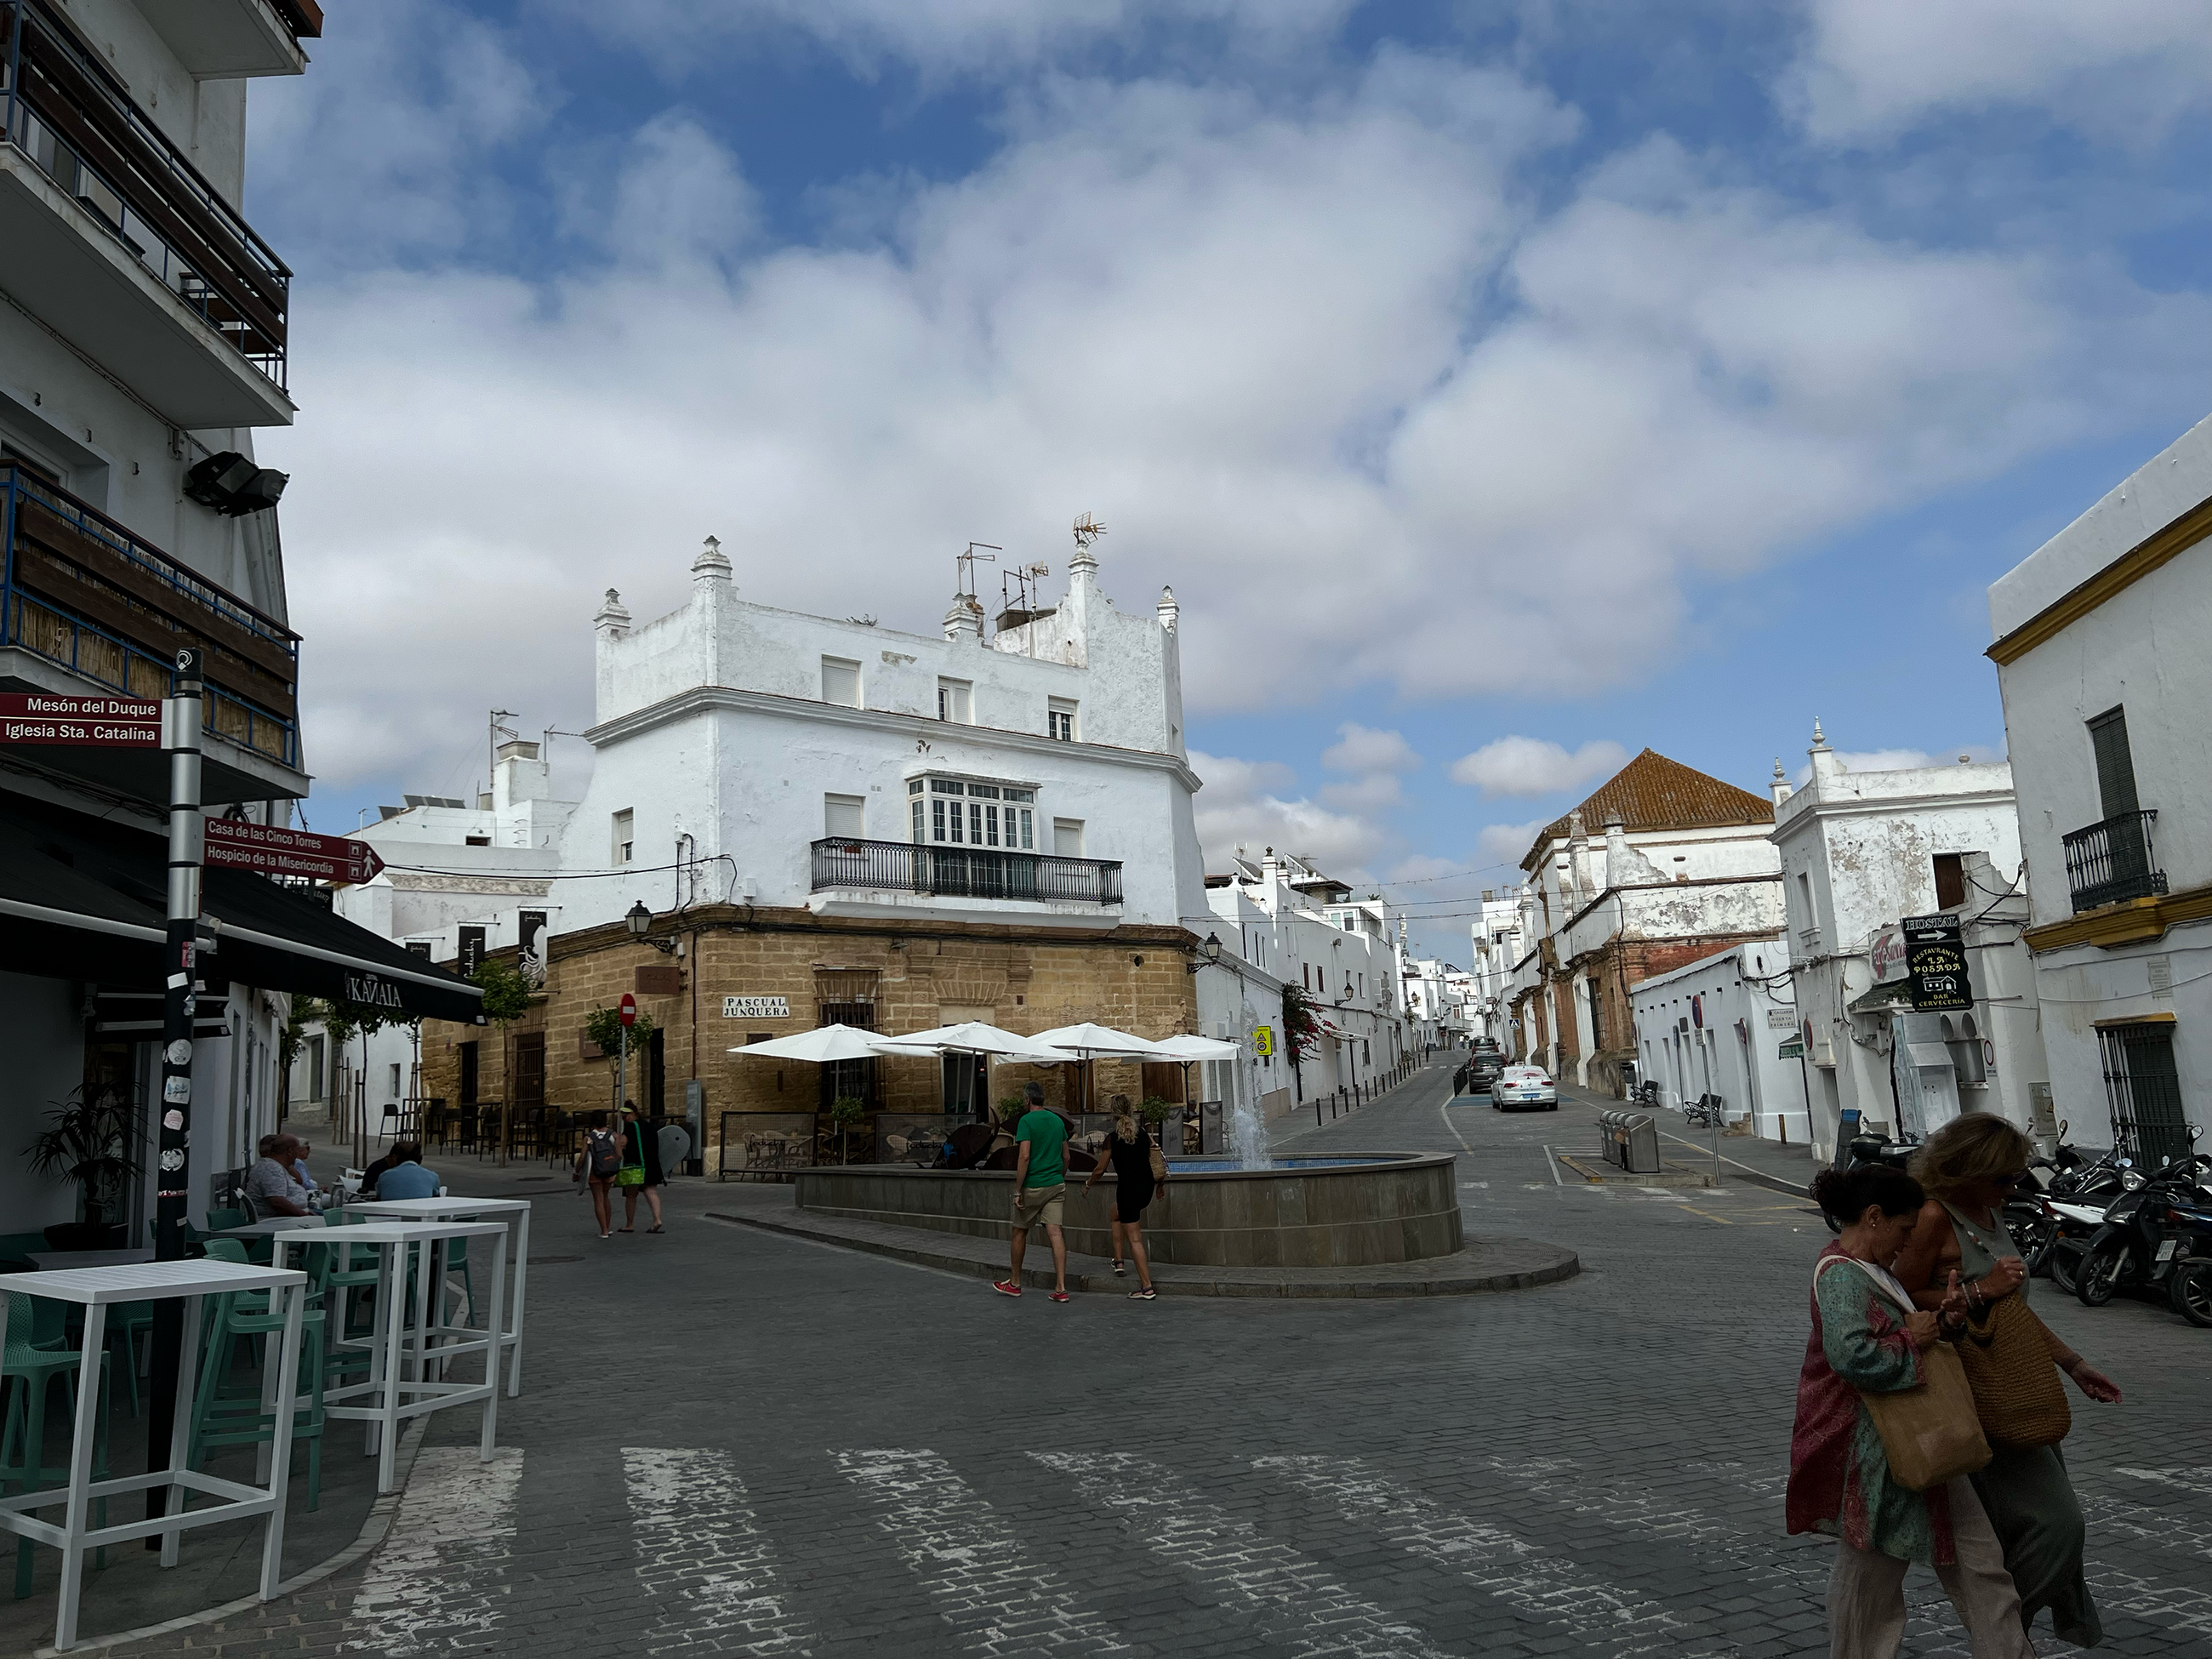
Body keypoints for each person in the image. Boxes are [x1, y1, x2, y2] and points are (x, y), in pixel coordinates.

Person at [1787, 1162, 2034, 1659]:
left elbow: (1900, 1339)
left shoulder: (1871, 1272)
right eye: (1904, 1229)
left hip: (1920, 1440)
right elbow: (1854, 1357)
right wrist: (1912, 1337)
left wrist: (1944, 1322)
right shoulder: (1840, 1276)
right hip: (1877, 1452)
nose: (1907, 1244)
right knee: (1870, 1579)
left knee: (1980, 1565)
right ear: (1874, 1217)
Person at [1896, 1115, 2121, 1649]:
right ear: (1964, 1171)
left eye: (2018, 1176)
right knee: (2058, 1523)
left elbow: (2013, 1312)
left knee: (2029, 1522)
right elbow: (1896, 1298)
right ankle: (2003, 1633)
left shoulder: (1989, 1210)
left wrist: (2072, 1364)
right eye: (2003, 1178)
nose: (2014, 1187)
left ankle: (2004, 1636)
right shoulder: (1933, 1216)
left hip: (2017, 1388)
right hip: (1973, 1392)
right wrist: (1982, 1290)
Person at [1081, 1097, 1164, 1301]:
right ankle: (1118, 1260)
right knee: (1114, 1212)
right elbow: (1157, 1155)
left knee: (1135, 1240)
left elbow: (1100, 1169)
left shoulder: (1112, 1139)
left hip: (1128, 1192)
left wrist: (1088, 1183)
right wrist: (1160, 1185)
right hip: (1146, 1190)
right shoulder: (1143, 1133)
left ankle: (1147, 1287)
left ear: (1113, 1113)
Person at [994, 1082, 1069, 1302]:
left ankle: (1015, 1282)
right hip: (1055, 1184)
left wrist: (1018, 1190)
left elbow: (1024, 1156)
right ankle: (1061, 1288)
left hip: (1033, 1185)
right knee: (1055, 1234)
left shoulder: (1026, 1121)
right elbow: (1067, 1157)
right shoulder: (1057, 1121)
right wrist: (1059, 1176)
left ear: (1027, 1100)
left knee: (1019, 1231)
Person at [617, 1102, 665, 1234]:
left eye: (625, 1116)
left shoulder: (630, 1127)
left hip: (635, 1166)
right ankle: (657, 1220)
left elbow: (622, 1143)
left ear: (632, 1114)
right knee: (651, 1191)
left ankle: (629, 1224)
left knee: (631, 1195)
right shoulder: (650, 1126)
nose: (624, 1118)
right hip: (653, 1164)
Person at [243, 1133, 316, 1220]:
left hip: (289, 1218)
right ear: (289, 1152)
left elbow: (299, 1180)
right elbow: (277, 1202)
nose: (297, 1155)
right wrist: (305, 1215)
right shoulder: (271, 1168)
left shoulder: (277, 1166)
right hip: (275, 1221)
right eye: (297, 1150)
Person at [573, 1111, 620, 1240]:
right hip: (609, 1171)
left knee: (598, 1199)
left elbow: (582, 1158)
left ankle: (603, 1230)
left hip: (595, 1172)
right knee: (606, 1197)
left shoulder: (589, 1137)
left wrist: (577, 1172)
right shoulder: (613, 1135)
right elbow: (619, 1154)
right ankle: (608, 1227)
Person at [372, 1142, 441, 1201]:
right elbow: (436, 1200)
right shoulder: (432, 1176)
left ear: (397, 1159)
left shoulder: (384, 1176)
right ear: (420, 1159)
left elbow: (379, 1197)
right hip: (420, 1215)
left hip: (390, 1215)